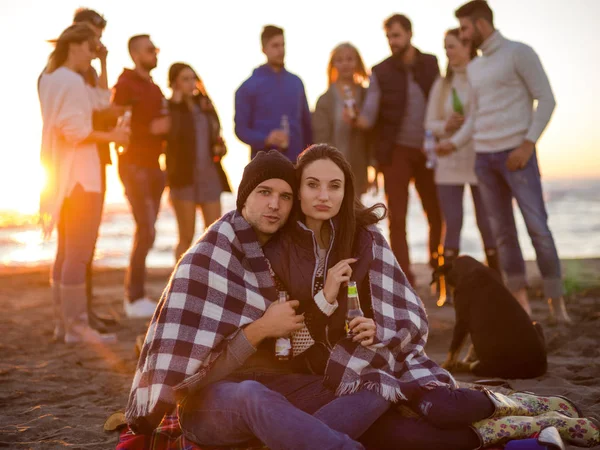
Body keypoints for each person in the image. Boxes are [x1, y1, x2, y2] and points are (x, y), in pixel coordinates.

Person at [263, 144, 596, 450]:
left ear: (346, 190)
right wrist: (325, 297)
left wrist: (380, 332)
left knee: (442, 408)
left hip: (386, 361)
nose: (324, 195)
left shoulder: (367, 241)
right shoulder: (282, 251)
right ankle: (522, 429)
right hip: (330, 379)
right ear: (298, 190)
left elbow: (412, 316)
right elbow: (288, 343)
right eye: (312, 184)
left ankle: (528, 405)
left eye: (334, 186)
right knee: (408, 438)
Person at [126, 150, 386, 449]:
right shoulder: (209, 256)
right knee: (251, 394)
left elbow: (294, 345)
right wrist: (261, 329)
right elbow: (192, 375)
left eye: (286, 196)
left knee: (374, 383)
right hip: (212, 403)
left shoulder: (282, 255)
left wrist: (329, 301)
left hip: (278, 388)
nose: (275, 204)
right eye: (265, 192)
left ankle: (284, 438)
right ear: (245, 197)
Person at [438, 0, 572, 323]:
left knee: (537, 227)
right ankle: (522, 305)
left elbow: (547, 99)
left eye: (466, 28)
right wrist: (453, 143)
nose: (463, 35)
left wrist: (527, 145)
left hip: (518, 155)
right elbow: (474, 117)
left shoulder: (519, 53)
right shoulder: (475, 68)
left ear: (481, 24)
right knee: (503, 234)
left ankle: (558, 306)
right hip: (484, 160)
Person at [39, 24, 129, 344]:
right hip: (81, 177)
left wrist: (103, 65)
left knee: (66, 252)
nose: (94, 55)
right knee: (77, 253)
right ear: (75, 45)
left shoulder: (48, 78)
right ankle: (77, 328)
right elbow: (74, 130)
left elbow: (101, 100)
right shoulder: (71, 80)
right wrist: (114, 136)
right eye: (92, 49)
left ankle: (64, 324)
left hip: (59, 177)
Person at [354, 14, 443, 286]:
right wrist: (358, 120)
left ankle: (439, 271)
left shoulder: (430, 63)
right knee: (398, 218)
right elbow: (369, 113)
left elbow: (441, 100)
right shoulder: (380, 71)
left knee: (437, 214)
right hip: (395, 153)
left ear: (409, 33)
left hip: (429, 150)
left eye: (397, 35)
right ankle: (406, 279)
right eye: (389, 37)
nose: (393, 42)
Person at [424, 28, 498, 304]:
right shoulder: (442, 84)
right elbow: (428, 123)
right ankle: (448, 289)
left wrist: (460, 131)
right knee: (452, 224)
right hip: (448, 163)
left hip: (479, 160)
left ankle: (497, 281)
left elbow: (484, 117)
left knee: (486, 224)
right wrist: (446, 126)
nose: (448, 52)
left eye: (452, 46)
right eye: (445, 48)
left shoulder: (480, 80)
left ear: (468, 47)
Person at [71, 8, 124, 332]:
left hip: (98, 152)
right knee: (79, 239)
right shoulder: (71, 70)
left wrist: (103, 63)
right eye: (94, 36)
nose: (98, 43)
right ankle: (78, 315)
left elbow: (103, 102)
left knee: (88, 239)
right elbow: (101, 108)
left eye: (101, 37)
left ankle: (85, 311)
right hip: (82, 154)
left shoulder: (88, 69)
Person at [112, 34, 170, 319]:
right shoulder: (125, 85)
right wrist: (152, 129)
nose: (155, 53)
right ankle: (133, 298)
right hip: (134, 165)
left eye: (155, 49)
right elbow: (117, 124)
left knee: (147, 231)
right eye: (150, 50)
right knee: (145, 229)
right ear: (135, 54)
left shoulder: (155, 88)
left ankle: (136, 295)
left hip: (154, 166)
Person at [166, 62, 231, 262]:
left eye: (192, 78)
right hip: (183, 178)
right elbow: (172, 136)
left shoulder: (205, 106)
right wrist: (176, 103)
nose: (190, 83)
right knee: (185, 237)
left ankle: (213, 282)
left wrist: (221, 148)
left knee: (215, 235)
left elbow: (217, 136)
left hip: (209, 176)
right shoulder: (170, 107)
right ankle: (178, 284)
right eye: (185, 79)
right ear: (174, 83)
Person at [235, 25, 313, 162]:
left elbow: (307, 125)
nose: (281, 50)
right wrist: (266, 138)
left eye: (283, 45)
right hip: (264, 164)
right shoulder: (247, 87)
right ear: (264, 49)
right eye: (275, 45)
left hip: (297, 163)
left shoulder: (296, 83)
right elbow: (241, 130)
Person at [313, 42, 371, 196]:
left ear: (357, 62)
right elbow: (320, 138)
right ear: (333, 65)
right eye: (340, 60)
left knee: (355, 214)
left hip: (359, 169)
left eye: (350, 59)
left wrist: (374, 166)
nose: (345, 63)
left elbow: (373, 135)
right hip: (332, 169)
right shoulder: (325, 100)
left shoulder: (366, 95)